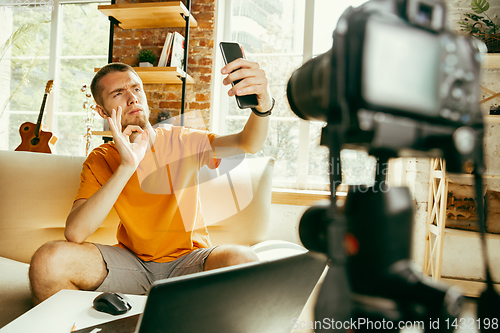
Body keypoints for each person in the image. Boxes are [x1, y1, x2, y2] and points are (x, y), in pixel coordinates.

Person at [28, 56, 274, 304]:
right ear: (102, 111)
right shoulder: (101, 158)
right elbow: (76, 233)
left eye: (136, 88)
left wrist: (262, 107)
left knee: (243, 259)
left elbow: (247, 143)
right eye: (118, 93)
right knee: (48, 261)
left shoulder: (183, 140)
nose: (132, 97)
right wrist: (127, 166)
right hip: (132, 264)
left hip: (189, 262)